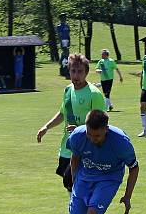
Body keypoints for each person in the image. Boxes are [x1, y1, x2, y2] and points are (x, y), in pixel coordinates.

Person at [60, 110, 139, 214]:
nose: (92, 139)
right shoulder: (78, 135)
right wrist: (75, 181)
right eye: (89, 134)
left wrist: (127, 196)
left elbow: (134, 167)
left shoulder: (121, 142)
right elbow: (75, 157)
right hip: (85, 176)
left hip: (109, 178)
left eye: (97, 136)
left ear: (106, 129)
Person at [37, 53, 107, 193]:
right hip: (67, 146)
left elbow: (102, 123)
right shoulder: (68, 90)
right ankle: (79, 213)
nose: (76, 75)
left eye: (80, 71)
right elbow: (63, 113)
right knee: (69, 184)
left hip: (86, 148)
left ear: (86, 72)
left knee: (77, 183)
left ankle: (80, 213)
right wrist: (47, 127)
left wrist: (80, 129)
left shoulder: (94, 94)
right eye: (73, 71)